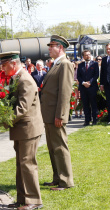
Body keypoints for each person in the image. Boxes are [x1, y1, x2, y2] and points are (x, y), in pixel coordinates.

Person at [0, 51, 43, 210]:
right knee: (21, 164)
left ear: (13, 63)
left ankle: (34, 201)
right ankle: (22, 199)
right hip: (22, 128)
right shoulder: (17, 78)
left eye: (4, 65)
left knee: (28, 164)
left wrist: (4, 120)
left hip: (28, 129)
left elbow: (22, 107)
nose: (2, 68)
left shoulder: (25, 80)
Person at [40, 35, 74, 191]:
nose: (49, 48)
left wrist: (60, 115)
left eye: (51, 45)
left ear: (60, 47)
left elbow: (65, 92)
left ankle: (66, 181)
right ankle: (57, 177)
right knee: (53, 147)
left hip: (55, 114)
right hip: (49, 114)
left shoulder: (65, 64)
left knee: (60, 147)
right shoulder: (56, 64)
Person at [77, 50, 99, 126]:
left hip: (92, 87)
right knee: (85, 104)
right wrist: (83, 83)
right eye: (86, 55)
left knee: (93, 104)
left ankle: (95, 120)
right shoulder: (80, 65)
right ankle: (87, 120)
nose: (88, 56)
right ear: (83, 56)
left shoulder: (95, 64)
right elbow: (78, 76)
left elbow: (96, 75)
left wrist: (90, 82)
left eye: (89, 54)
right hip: (83, 88)